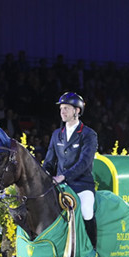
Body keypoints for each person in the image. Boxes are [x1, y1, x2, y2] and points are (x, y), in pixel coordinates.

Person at [43, 92, 98, 246]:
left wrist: (63, 176)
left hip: (82, 185)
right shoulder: (56, 135)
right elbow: (49, 162)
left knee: (86, 210)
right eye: (61, 108)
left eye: (66, 108)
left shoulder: (88, 134)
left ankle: (92, 251)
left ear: (77, 111)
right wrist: (42, 175)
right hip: (60, 186)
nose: (63, 111)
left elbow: (84, 163)